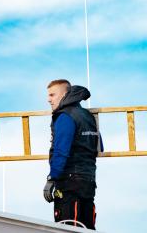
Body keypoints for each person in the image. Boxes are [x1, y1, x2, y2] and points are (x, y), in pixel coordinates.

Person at [43, 79, 103, 230]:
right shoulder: (88, 116)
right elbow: (99, 146)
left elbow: (61, 151)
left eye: (52, 95)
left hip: (69, 182)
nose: (48, 99)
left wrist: (52, 178)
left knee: (68, 227)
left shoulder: (65, 116)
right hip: (88, 181)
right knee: (87, 226)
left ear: (64, 95)